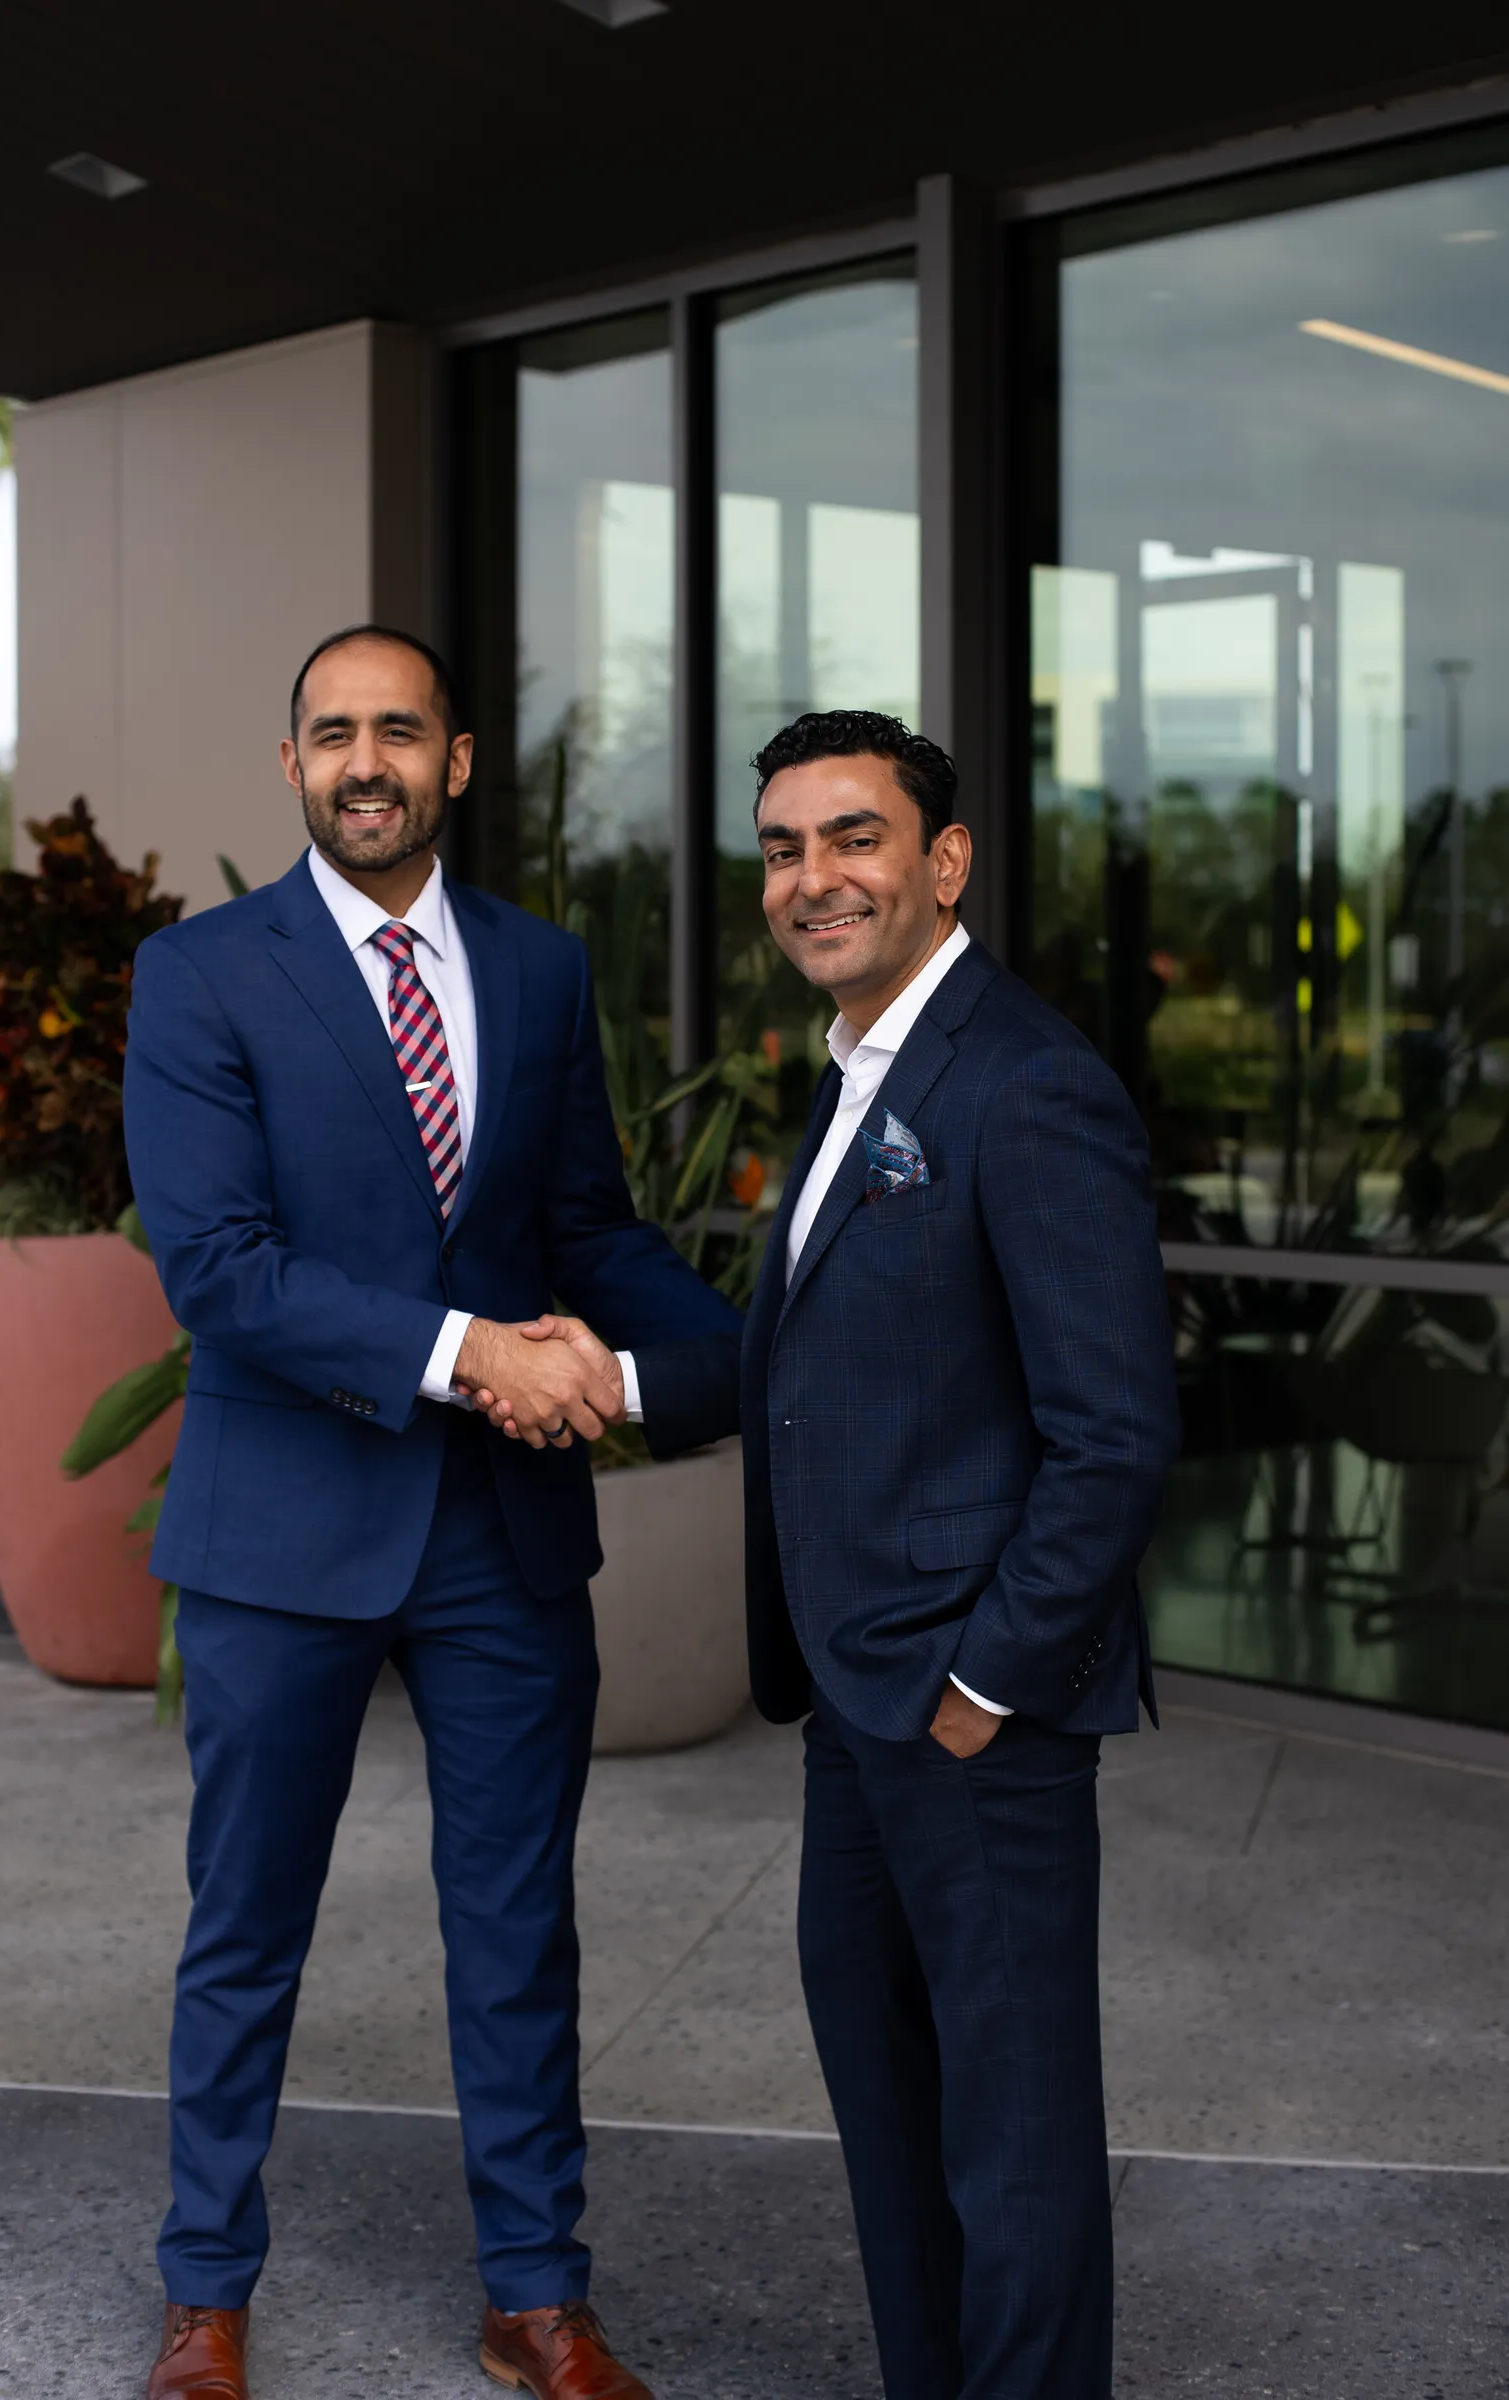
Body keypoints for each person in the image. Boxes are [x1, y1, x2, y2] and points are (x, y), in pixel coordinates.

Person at [122, 624, 741, 2400]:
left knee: (516, 1920)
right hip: (281, 1529)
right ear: (294, 766)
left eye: (400, 729)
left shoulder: (541, 974)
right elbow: (221, 1272)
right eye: (332, 734)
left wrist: (767, 1348)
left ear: (458, 760)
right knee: (245, 1921)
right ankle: (204, 2292)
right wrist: (479, 1353)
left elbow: (590, 1228)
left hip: (499, 1537)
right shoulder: (201, 974)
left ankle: (535, 2296)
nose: (366, 759)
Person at [738, 710, 1180, 2400]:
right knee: (890, 2101)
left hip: (963, 1709)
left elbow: (1114, 1432)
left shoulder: (1025, 1079)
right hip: (856, 1707)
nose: (811, 878)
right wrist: (592, 1368)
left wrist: (986, 1682)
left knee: (1009, 2135)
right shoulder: (862, 1071)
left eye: (852, 838)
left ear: (942, 861)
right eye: (783, 847)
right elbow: (808, 1361)